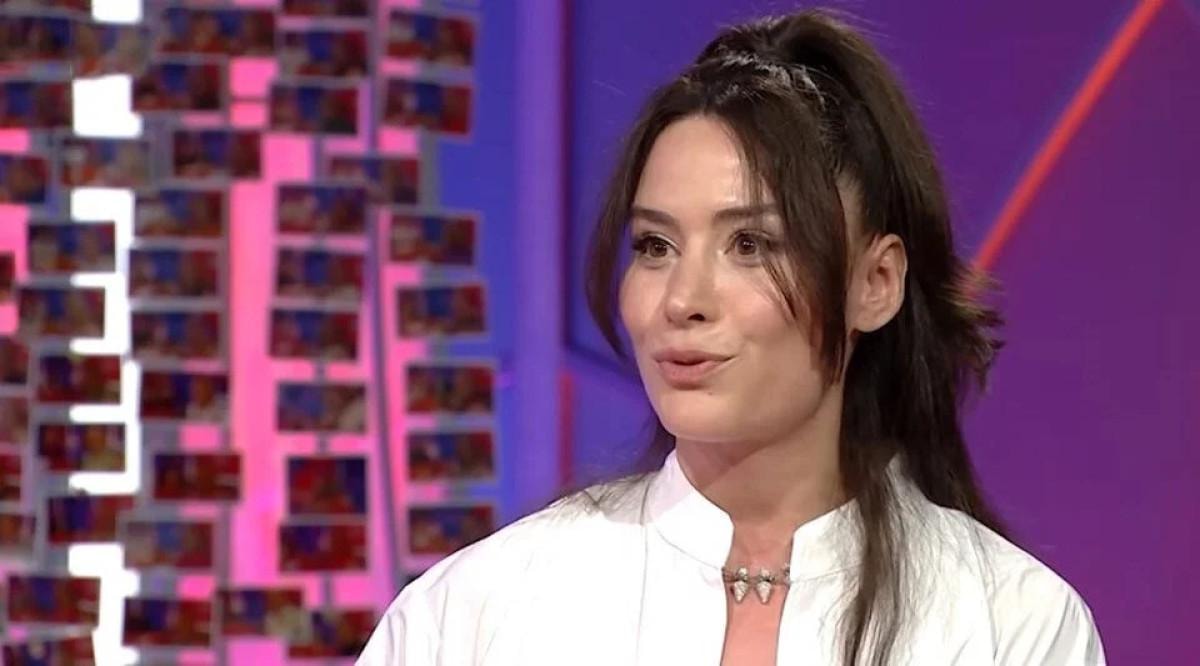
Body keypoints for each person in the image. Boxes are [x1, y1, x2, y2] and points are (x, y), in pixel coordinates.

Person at [359, 8, 1106, 666]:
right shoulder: (479, 610)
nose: (682, 300)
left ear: (875, 283)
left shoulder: (1009, 622)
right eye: (655, 246)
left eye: (751, 245)